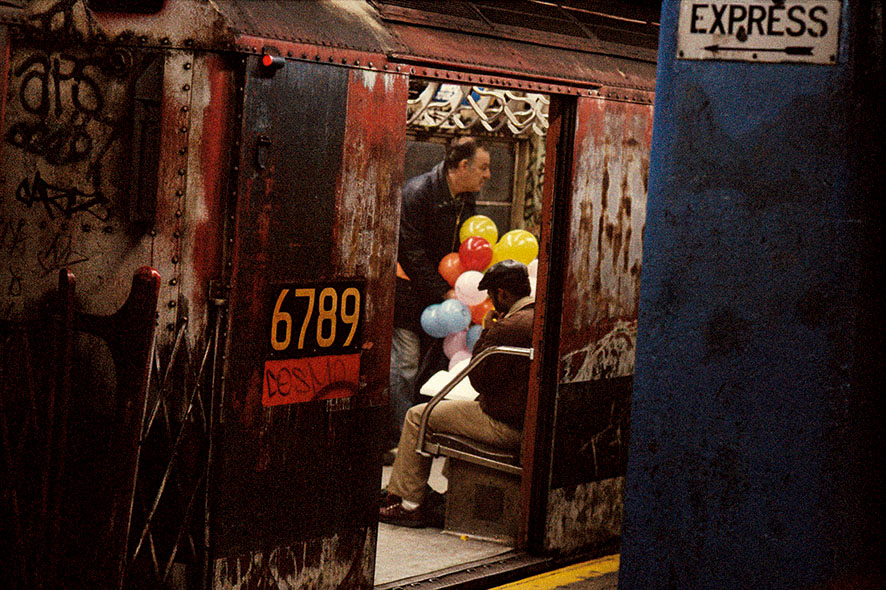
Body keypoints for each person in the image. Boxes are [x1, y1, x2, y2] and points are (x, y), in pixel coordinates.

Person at [380, 259, 535, 527]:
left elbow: (478, 378)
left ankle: (408, 504)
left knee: (418, 416)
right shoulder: (536, 317)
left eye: (491, 295)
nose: (490, 301)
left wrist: (487, 330)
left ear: (502, 293)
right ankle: (437, 494)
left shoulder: (507, 327)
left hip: (504, 424)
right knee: (449, 413)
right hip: (523, 421)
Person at [388, 138, 491, 449]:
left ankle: (424, 431)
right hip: (409, 291)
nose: (487, 175)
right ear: (462, 166)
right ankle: (401, 438)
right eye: (483, 168)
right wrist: (442, 291)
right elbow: (410, 251)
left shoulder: (466, 198)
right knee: (405, 365)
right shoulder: (418, 192)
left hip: (444, 297)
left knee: (429, 366)